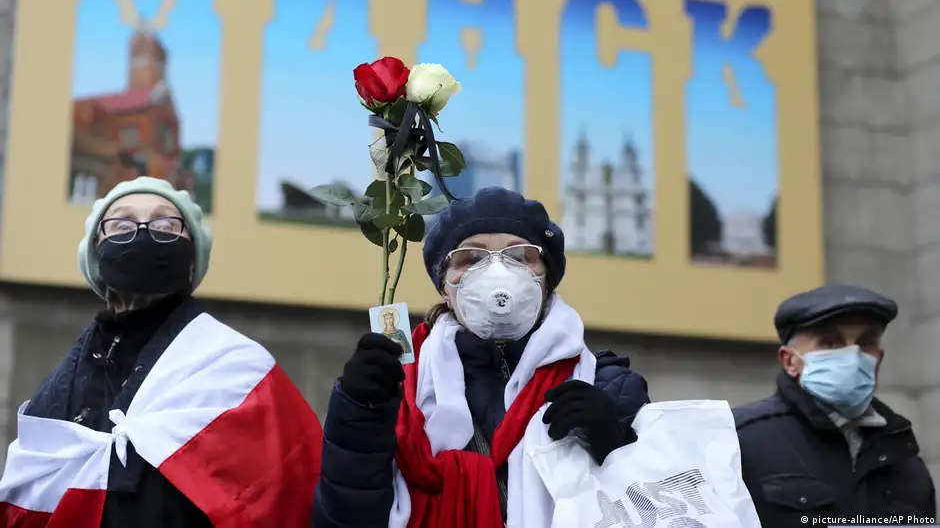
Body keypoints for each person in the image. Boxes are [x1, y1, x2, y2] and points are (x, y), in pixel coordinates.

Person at [313, 187, 650, 528]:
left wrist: (615, 444)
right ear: (445, 286)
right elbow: (344, 518)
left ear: (546, 279)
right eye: (471, 258)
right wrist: (358, 416)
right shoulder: (399, 386)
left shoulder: (604, 384)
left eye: (520, 256)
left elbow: (663, 508)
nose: (497, 271)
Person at [0, 177, 324, 528]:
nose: (143, 233)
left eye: (165, 224)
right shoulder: (62, 387)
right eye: (122, 225)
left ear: (192, 256)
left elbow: (294, 492)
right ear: (96, 255)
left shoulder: (240, 368)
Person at [734, 284, 935, 526]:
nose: (853, 356)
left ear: (878, 360)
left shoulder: (906, 463)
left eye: (865, 343)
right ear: (790, 361)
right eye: (830, 342)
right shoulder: (739, 442)